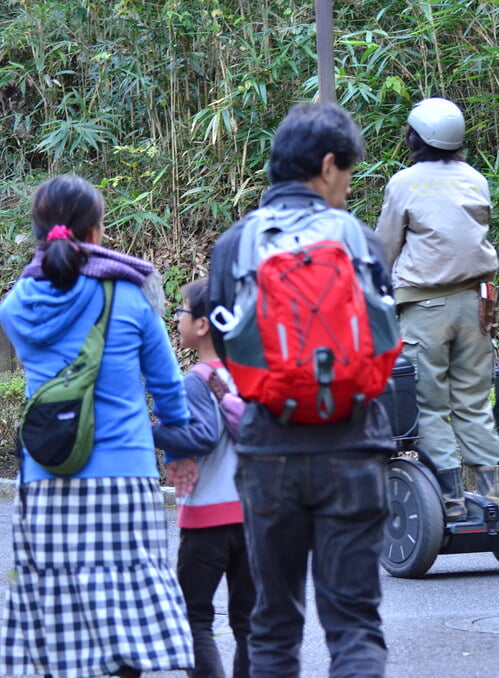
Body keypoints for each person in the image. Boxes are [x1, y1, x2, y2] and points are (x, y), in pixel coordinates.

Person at [207, 102, 391, 678]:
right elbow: (387, 341)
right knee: (355, 624)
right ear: (329, 165)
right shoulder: (360, 239)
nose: (346, 187)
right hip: (354, 446)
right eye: (349, 175)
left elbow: (227, 349)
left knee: (274, 625)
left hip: (268, 453)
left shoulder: (235, 244)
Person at [0, 174, 194, 678]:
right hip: (124, 476)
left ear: (40, 232)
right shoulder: (127, 296)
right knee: (125, 612)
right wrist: (179, 453)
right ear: (95, 231)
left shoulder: (17, 304)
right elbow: (168, 387)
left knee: (59, 615)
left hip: (47, 477)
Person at [375, 97, 499, 522]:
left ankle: (449, 500)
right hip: (476, 304)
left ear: (414, 137)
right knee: (472, 401)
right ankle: (494, 495)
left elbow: (385, 248)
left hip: (425, 307)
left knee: (429, 403)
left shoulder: (404, 183)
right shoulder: (475, 178)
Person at [153, 276, 255, 678]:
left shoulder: (197, 378)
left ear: (203, 325)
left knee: (194, 617)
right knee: (247, 622)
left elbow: (202, 435)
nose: (176, 318)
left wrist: (148, 430)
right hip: (251, 515)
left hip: (208, 519)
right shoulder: (248, 374)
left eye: (181, 311)